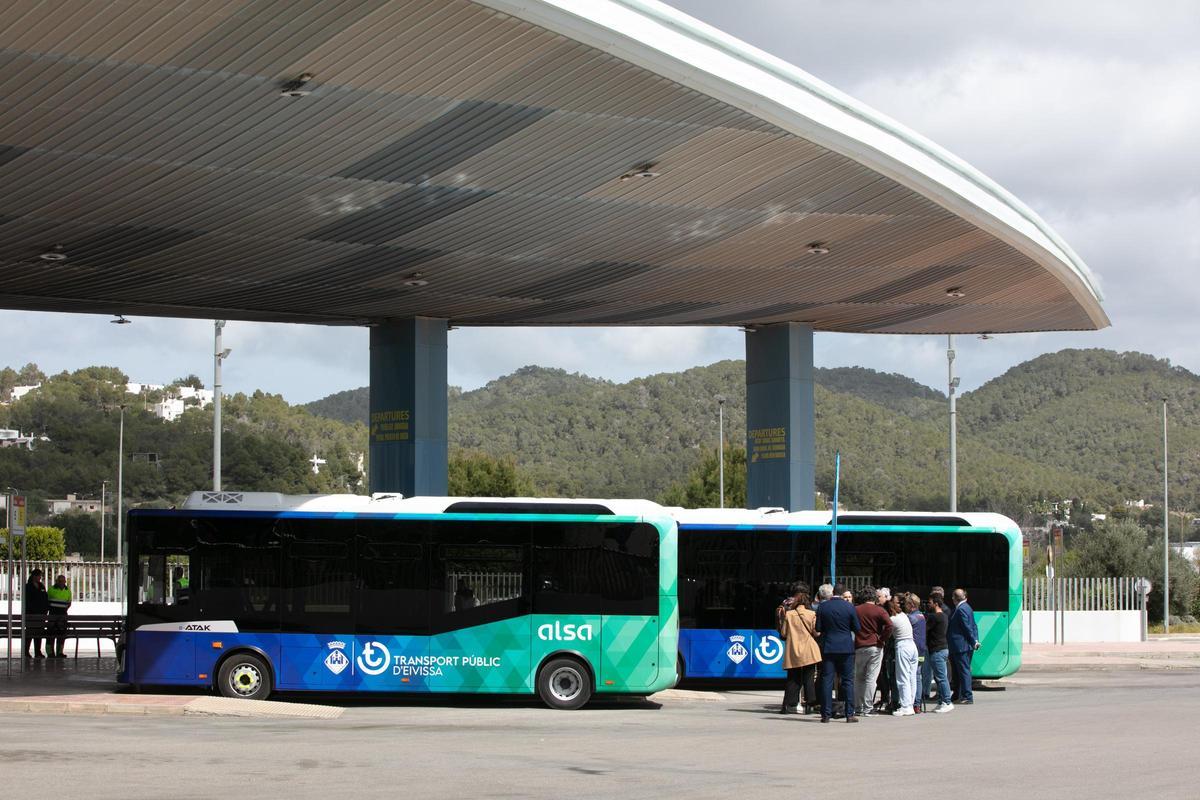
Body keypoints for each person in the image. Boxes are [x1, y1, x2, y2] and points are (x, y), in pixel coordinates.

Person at [815, 583, 860, 723]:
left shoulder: (823, 606)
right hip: (846, 647)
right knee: (847, 681)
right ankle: (849, 714)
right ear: (843, 593)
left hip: (829, 647)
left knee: (827, 680)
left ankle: (826, 714)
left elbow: (818, 627)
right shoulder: (849, 607)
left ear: (833, 592)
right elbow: (857, 628)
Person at [777, 583, 820, 714]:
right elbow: (816, 632)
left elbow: (784, 633)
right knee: (809, 677)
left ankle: (790, 704)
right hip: (809, 650)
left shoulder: (789, 614)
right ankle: (810, 704)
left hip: (793, 650)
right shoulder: (812, 614)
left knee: (793, 678)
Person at [853, 584, 892, 716]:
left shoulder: (856, 610)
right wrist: (882, 639)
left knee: (858, 677)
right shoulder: (879, 610)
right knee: (871, 678)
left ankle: (857, 707)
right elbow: (889, 625)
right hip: (875, 645)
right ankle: (868, 707)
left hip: (858, 645)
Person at [948, 587, 981, 705]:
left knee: (963, 671)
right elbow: (974, 626)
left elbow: (967, 627)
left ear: (954, 598)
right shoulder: (967, 607)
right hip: (962, 646)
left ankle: (967, 696)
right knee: (958, 672)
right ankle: (957, 694)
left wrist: (973, 641)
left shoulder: (961, 609)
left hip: (961, 646)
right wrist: (975, 640)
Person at [887, 596, 918, 716]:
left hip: (903, 646)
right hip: (912, 645)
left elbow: (887, 629)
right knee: (912, 677)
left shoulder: (892, 619)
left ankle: (905, 706)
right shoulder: (904, 615)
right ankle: (910, 703)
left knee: (902, 677)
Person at [924, 593, 953, 713]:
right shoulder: (944, 616)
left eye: (930, 602)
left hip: (937, 650)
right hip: (943, 648)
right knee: (940, 677)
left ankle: (947, 701)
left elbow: (925, 629)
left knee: (941, 678)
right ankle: (942, 701)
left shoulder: (934, 617)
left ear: (936, 603)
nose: (928, 604)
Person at [906, 593, 927, 713]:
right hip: (921, 650)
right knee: (918, 676)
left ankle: (911, 702)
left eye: (907, 604)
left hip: (913, 649)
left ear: (911, 604)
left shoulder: (911, 618)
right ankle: (917, 704)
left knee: (910, 676)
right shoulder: (922, 616)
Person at [23, 568, 49, 659]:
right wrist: (32, 611)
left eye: (40, 576)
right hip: (31, 614)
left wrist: (45, 610)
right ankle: (26, 652)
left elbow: (45, 598)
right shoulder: (28, 586)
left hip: (41, 615)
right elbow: (27, 601)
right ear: (34, 576)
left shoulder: (41, 586)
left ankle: (38, 652)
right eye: (38, 576)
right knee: (30, 633)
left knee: (39, 633)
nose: (39, 578)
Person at [46, 574, 72, 658]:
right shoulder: (51, 590)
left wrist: (63, 609)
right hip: (52, 615)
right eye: (59, 581)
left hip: (63, 615)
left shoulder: (68, 591)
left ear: (65, 582)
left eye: (63, 581)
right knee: (51, 634)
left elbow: (69, 602)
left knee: (61, 634)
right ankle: (50, 653)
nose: (61, 583)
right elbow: (47, 602)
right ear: (56, 581)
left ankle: (59, 652)